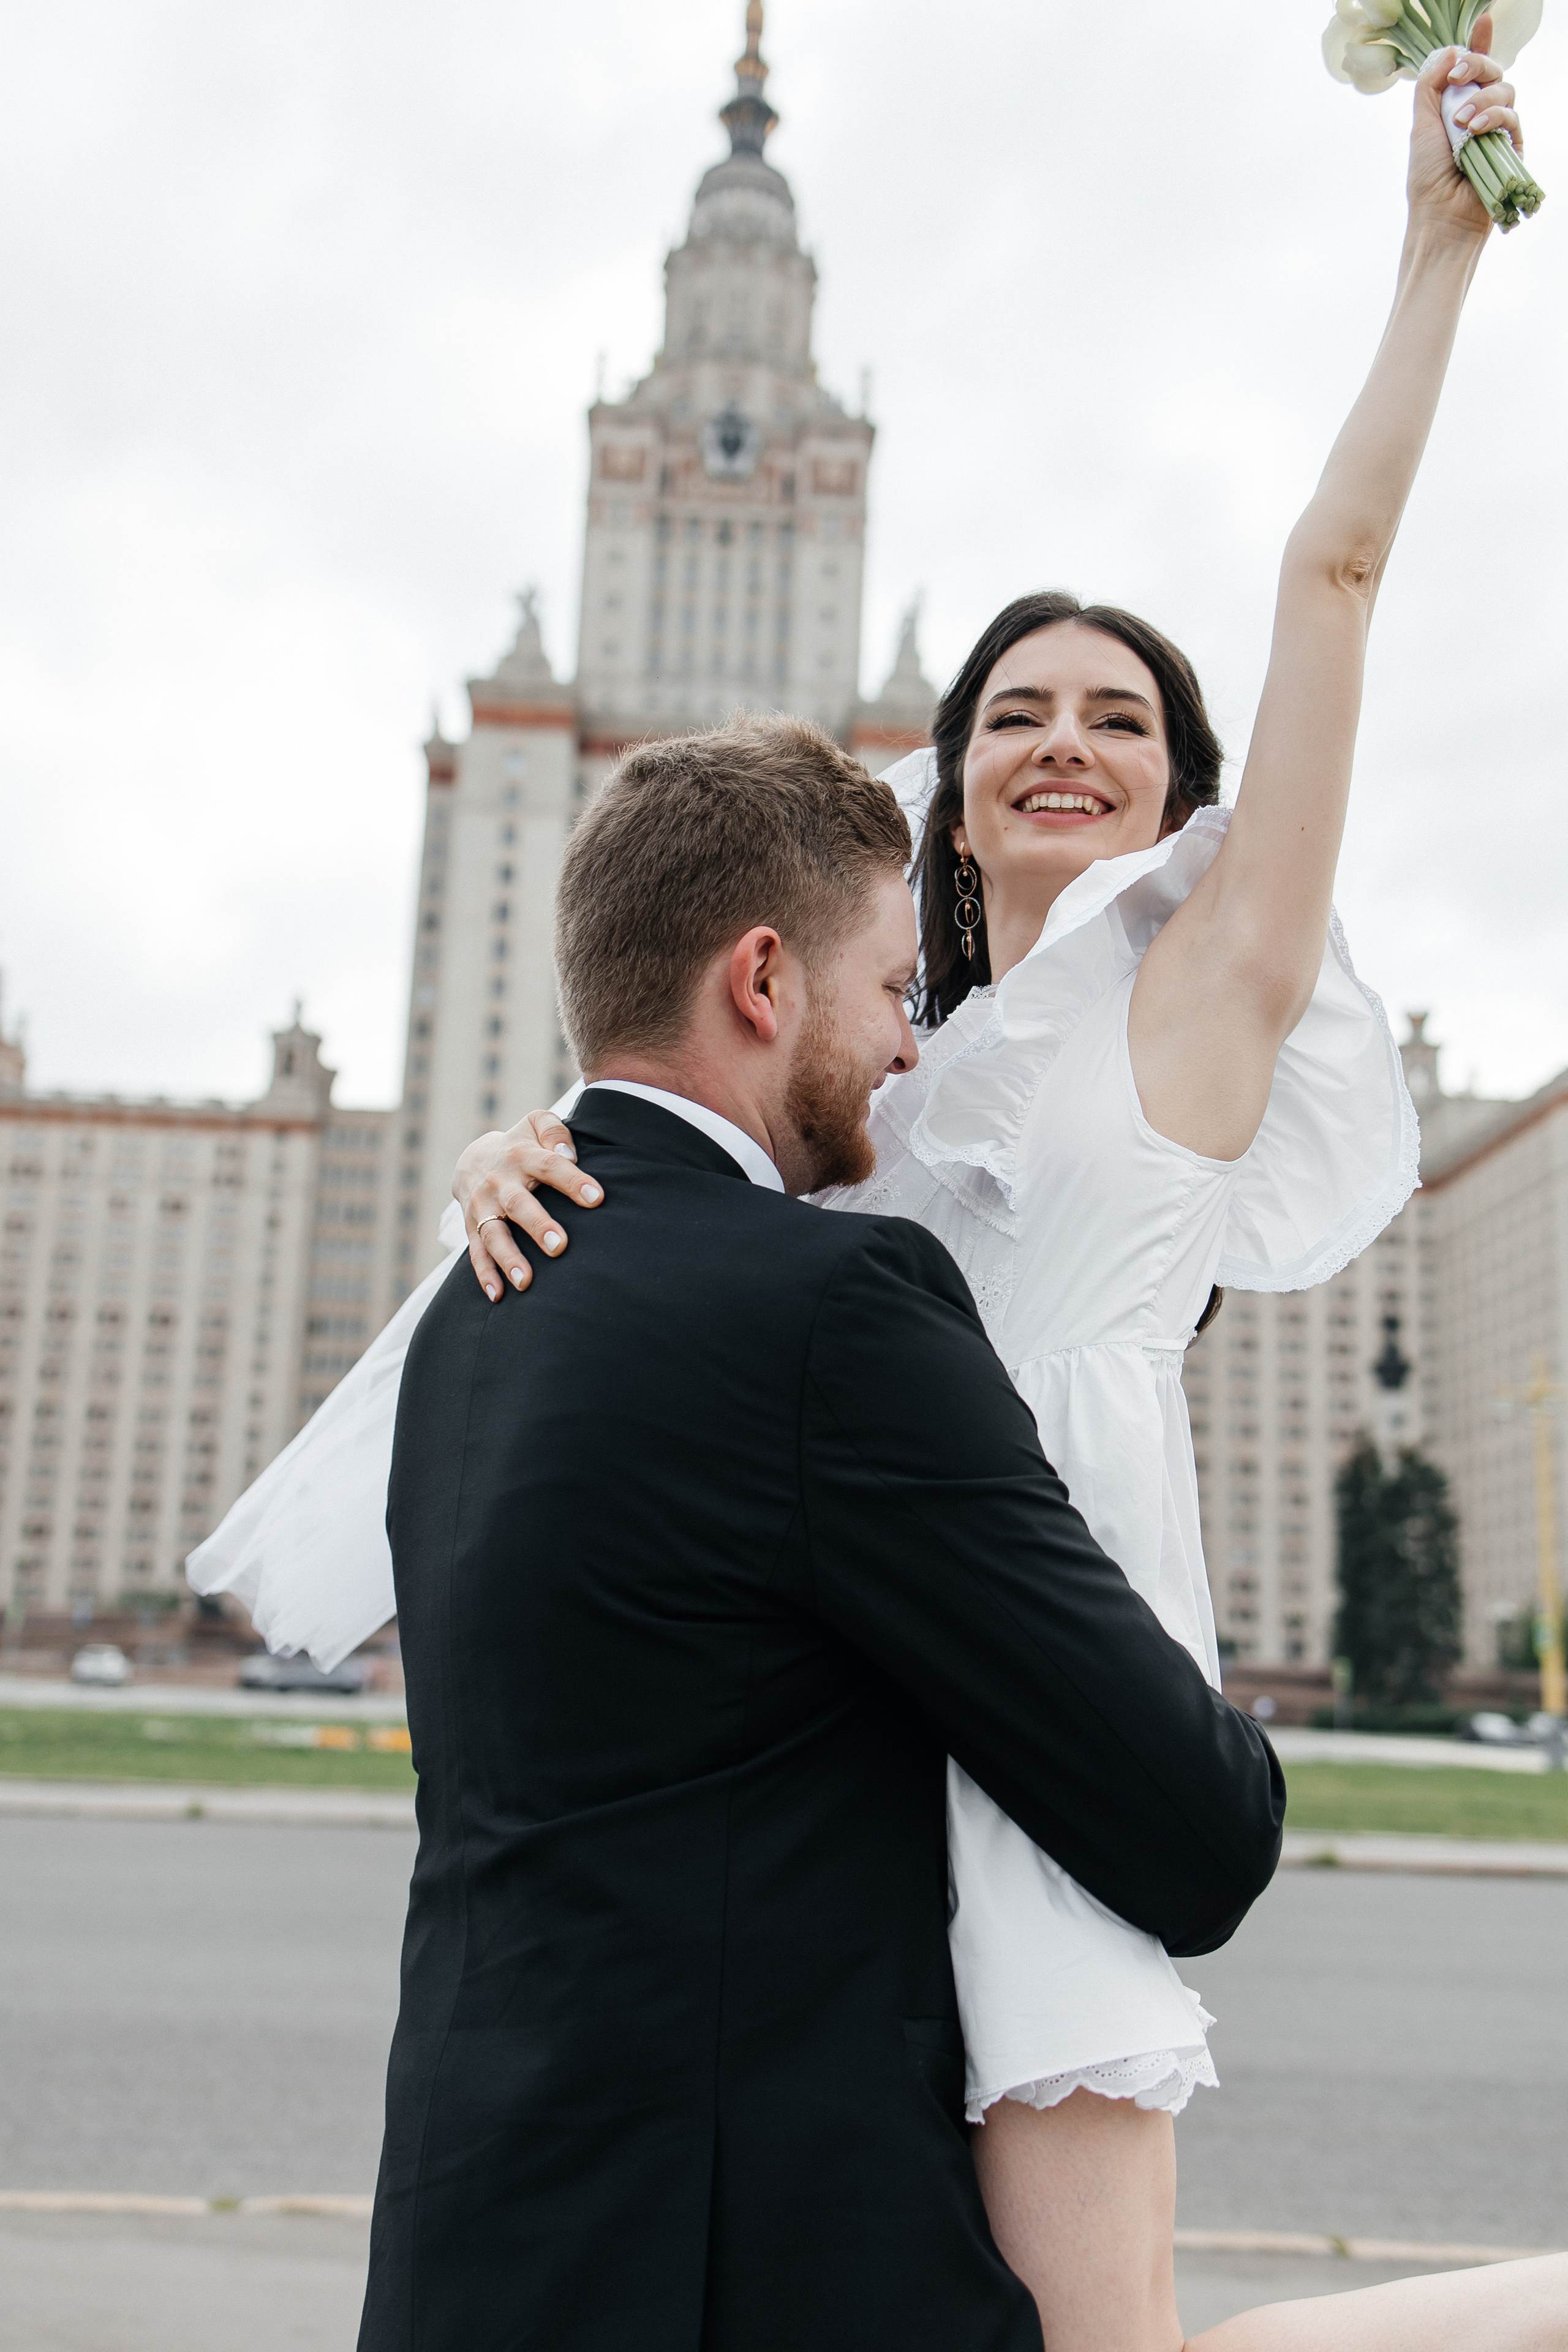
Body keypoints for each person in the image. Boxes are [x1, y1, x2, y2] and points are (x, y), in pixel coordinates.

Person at [448, 36, 1568, 2352]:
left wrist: (1434, 256)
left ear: (1181, 795)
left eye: (1123, 719)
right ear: (938, 804)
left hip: (1061, 1704)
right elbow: (689, 1196)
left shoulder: (1202, 995)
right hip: (836, 1732)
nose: (1070, 739)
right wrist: (520, 1136)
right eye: (1017, 716)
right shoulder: (884, 1080)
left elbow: (1333, 566)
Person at [355, 723, 1284, 2352]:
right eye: (893, 993)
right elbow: (1197, 1830)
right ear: (765, 981)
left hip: (475, 2256)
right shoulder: (832, 1309)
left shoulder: (473, 1304)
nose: (910, 1052)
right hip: (751, 2275)